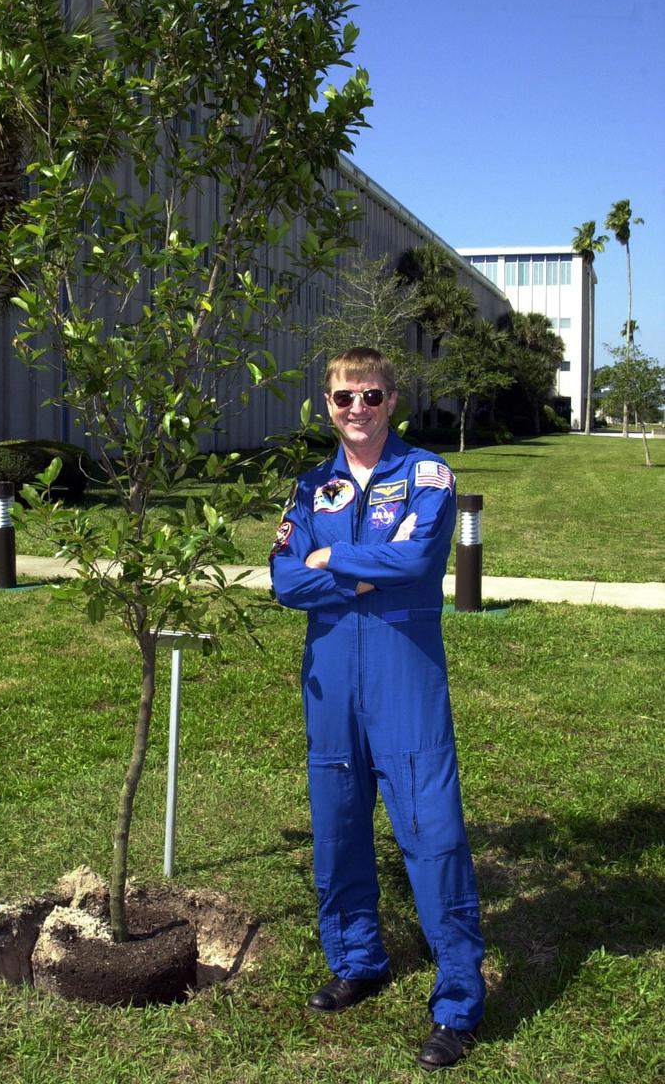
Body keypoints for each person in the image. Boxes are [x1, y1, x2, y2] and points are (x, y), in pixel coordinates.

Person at [270, 347, 485, 1072]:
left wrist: (332, 562)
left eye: (369, 396)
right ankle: (359, 960)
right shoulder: (310, 488)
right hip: (330, 681)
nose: (355, 411)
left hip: (404, 681)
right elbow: (283, 582)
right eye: (341, 399)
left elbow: (419, 562)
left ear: (393, 399)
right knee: (335, 832)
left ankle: (457, 1001)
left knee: (433, 835)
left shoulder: (426, 476)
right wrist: (356, 574)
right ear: (325, 404)